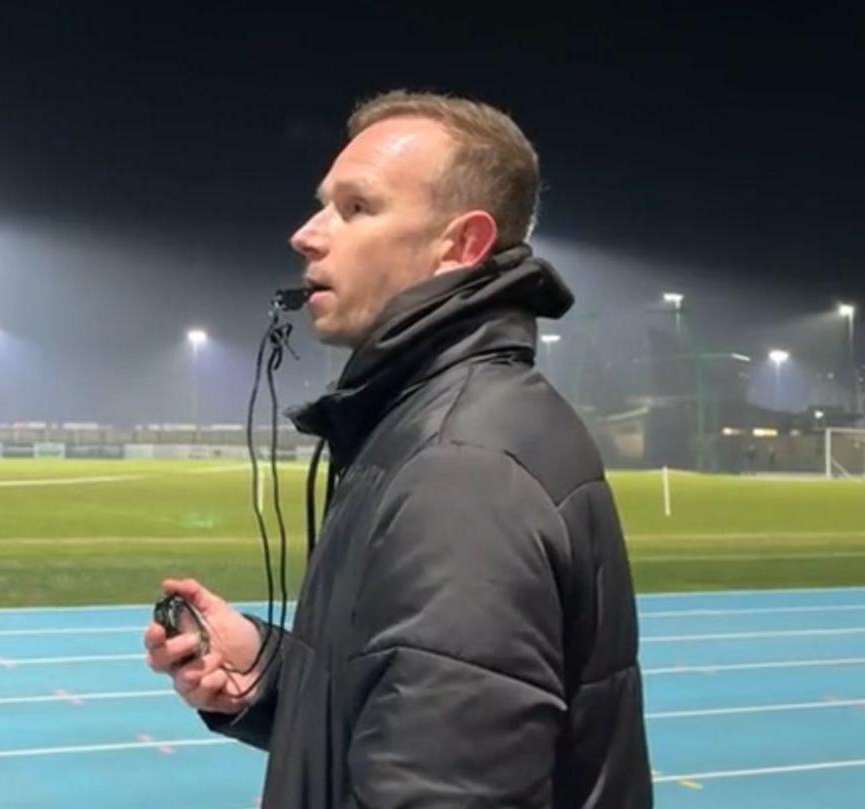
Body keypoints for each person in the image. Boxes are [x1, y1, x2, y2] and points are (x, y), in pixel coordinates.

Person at [144, 90, 652, 808]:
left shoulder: (463, 469)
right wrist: (268, 673)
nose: (306, 233)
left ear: (461, 244)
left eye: (357, 207)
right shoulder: (422, 424)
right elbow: (417, 707)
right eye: (324, 203)